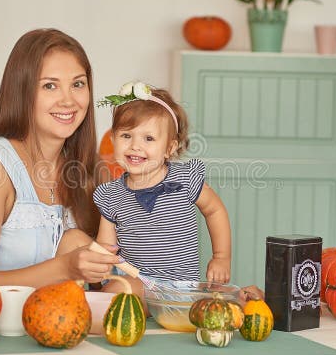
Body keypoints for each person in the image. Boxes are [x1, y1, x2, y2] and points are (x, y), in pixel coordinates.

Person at [0, 28, 214, 355]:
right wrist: (66, 268)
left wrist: (210, 290)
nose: (68, 100)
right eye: (50, 86)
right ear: (22, 90)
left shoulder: (85, 170)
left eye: (78, 84)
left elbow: (121, 268)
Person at [91, 82, 232, 287]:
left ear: (169, 148)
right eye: (126, 136)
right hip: (140, 282)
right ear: (113, 139)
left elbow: (215, 211)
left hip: (181, 287)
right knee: (117, 290)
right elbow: (106, 246)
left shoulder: (185, 179)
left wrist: (221, 257)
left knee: (223, 303)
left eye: (148, 138)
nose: (135, 146)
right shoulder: (111, 195)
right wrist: (98, 268)